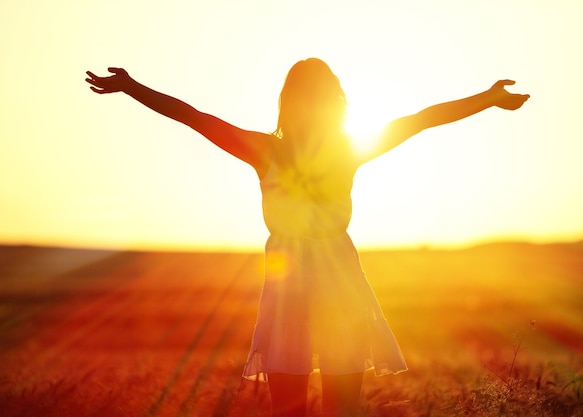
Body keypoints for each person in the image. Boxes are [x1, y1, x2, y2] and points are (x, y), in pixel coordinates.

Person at [85, 58, 529, 417]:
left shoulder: (300, 151)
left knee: (317, 406)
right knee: (310, 406)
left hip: (324, 285)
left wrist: (488, 99)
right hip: (308, 286)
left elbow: (420, 120)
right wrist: (133, 87)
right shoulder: (306, 151)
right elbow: (195, 118)